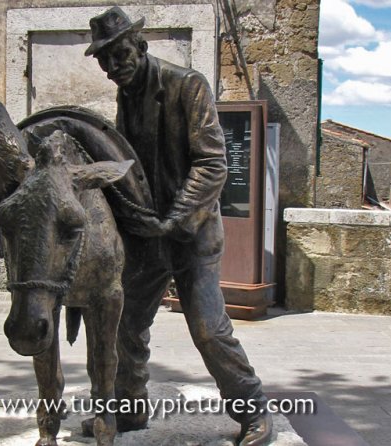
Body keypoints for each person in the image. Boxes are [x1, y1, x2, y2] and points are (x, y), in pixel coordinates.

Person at [83, 7, 272, 446]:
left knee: (208, 327)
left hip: (192, 233)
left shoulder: (187, 85)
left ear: (139, 45)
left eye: (120, 53)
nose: (114, 66)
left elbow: (212, 163)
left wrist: (174, 218)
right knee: (126, 323)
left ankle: (254, 410)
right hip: (150, 237)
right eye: (105, 60)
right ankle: (130, 410)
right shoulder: (127, 94)